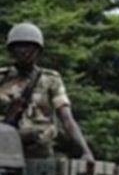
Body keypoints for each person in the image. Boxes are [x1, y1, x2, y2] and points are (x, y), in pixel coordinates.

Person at [0, 23, 93, 159]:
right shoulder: (2, 78)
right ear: (12, 50)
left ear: (38, 50)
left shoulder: (50, 79)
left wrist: (85, 151)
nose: (23, 51)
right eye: (19, 46)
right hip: (5, 148)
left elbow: (66, 118)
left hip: (38, 150)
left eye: (29, 47)